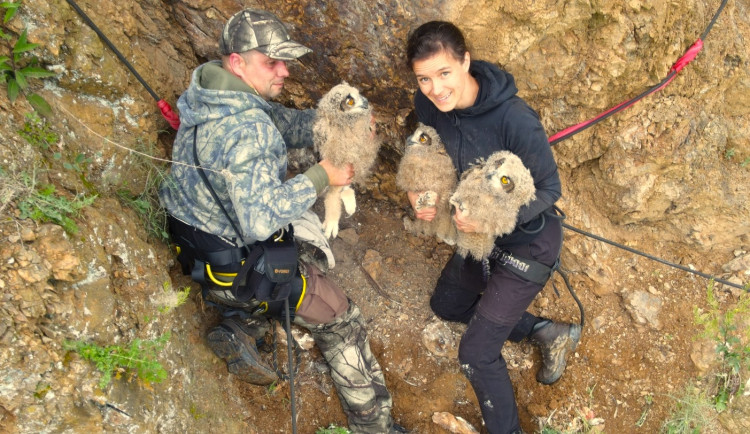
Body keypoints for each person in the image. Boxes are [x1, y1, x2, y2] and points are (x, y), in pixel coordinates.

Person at [159, 9, 404, 433]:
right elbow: (259, 219)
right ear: (238, 62)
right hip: (242, 267)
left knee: (300, 232)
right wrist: (322, 176)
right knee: (344, 320)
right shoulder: (247, 128)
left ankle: (244, 325)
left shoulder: (208, 93)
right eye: (272, 62)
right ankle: (374, 425)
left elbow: (284, 124)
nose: (285, 71)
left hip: (199, 254)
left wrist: (339, 125)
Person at [404, 21, 581, 434]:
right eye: (424, 78)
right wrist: (419, 186)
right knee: (446, 306)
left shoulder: (514, 119)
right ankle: (546, 331)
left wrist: (491, 219)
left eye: (444, 73)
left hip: (527, 241)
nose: (435, 88)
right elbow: (424, 142)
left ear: (465, 61)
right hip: (478, 237)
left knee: (477, 353)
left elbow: (549, 189)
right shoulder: (429, 103)